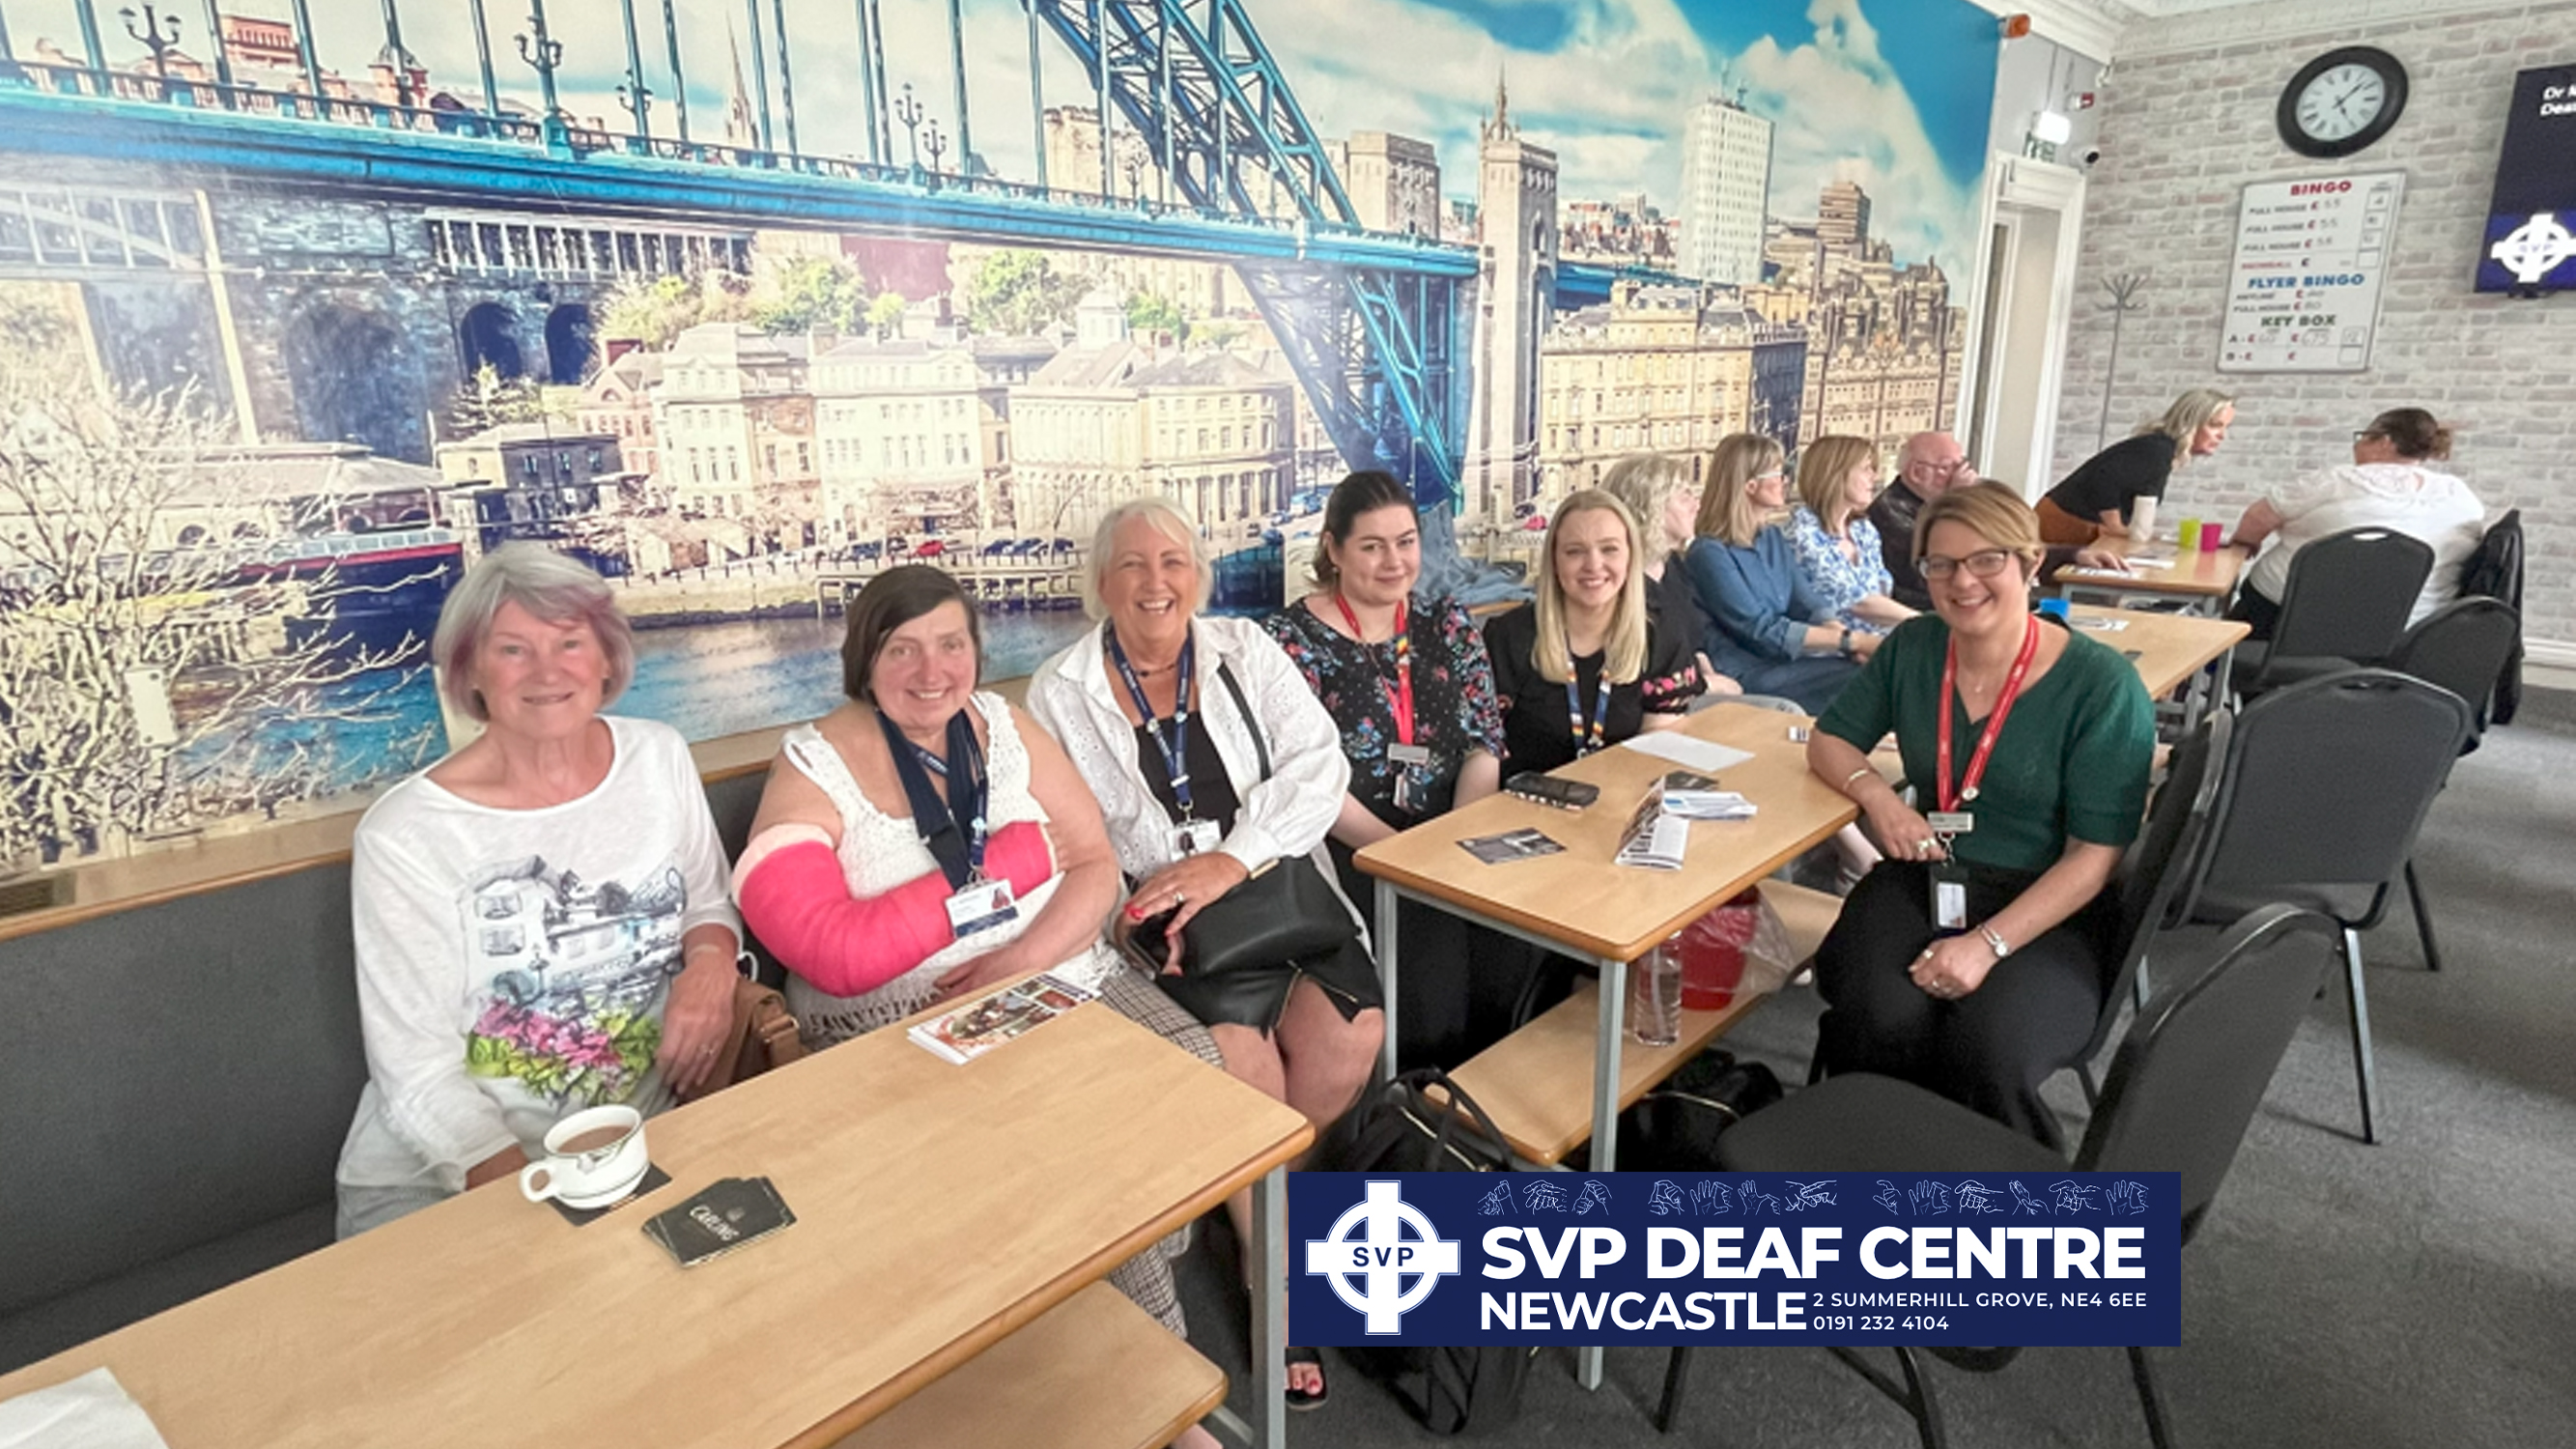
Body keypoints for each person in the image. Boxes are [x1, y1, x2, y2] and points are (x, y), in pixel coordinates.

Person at [727, 565, 1226, 1439]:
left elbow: (1093, 864)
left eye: (951, 644)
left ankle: (1110, 1354)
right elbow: (830, 952)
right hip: (894, 1024)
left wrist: (1022, 959)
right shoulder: (814, 764)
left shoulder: (1002, 725)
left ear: (974, 652)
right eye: (902, 648)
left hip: (1047, 978)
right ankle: (1162, 1407)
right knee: (1087, 1163)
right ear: (864, 660)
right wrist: (1008, 877)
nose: (931, 671)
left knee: (1192, 1073)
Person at [1027, 497, 1384, 1411]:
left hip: (1277, 894)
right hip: (1168, 926)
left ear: (1200, 575)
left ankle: (1260, 1208)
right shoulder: (1057, 693)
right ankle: (1278, 1273)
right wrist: (1121, 909)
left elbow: (1318, 763)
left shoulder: (1245, 652)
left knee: (1354, 1039)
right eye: (1133, 566)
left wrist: (1231, 858)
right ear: (1099, 584)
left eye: (1174, 561)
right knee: (1245, 1075)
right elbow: (1064, 838)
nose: (1156, 582)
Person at [335, 545, 741, 1238]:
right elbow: (419, 1074)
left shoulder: (657, 755)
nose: (549, 671)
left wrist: (710, 967)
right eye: (514, 650)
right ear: (470, 671)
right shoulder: (405, 835)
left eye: (570, 643)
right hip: (455, 1178)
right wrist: (552, 1209)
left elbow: (706, 904)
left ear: (607, 659)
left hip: (634, 1146)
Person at [1803, 482, 2155, 1144]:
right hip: (1927, 876)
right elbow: (1829, 738)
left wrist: (1986, 946)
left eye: (1985, 560)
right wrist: (1877, 799)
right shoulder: (1914, 648)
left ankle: (2003, 1213)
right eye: (1940, 564)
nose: (1961, 581)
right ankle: (1861, 1169)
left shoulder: (2100, 684)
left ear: (2029, 564)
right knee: (1875, 1013)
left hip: (2048, 903)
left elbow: (2094, 857)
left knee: (1988, 1044)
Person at [1264, 470, 1511, 1066]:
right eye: (1372, 546)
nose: (1394, 561)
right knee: (1427, 960)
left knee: (1514, 947)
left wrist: (1453, 841)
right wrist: (1402, 857)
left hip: (1449, 840)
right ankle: (1409, 1117)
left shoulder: (1446, 621)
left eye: (1405, 541)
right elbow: (1304, 774)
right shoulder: (1288, 642)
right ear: (1333, 549)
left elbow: (1483, 741)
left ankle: (1485, 1117)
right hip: (1346, 849)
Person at [1485, 489, 1703, 774]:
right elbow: (1482, 752)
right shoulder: (1508, 637)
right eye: (1575, 551)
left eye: (1609, 549)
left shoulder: (1659, 633)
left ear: (1630, 556)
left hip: (1619, 800)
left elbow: (1655, 751)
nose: (1593, 565)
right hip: (1526, 806)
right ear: (1554, 561)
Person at [2227, 407, 2486, 639]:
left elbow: (2259, 517)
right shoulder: (2459, 494)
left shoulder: (2339, 480)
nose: (2356, 446)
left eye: (2362, 437)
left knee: (2242, 612)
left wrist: (2242, 544)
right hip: (2408, 633)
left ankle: (2217, 673)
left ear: (2385, 442)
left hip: (2289, 621)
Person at [1685, 432, 1875, 716]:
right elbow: (1760, 630)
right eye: (1779, 472)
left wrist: (1849, 643)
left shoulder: (1771, 537)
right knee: (1865, 680)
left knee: (1873, 668)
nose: (1786, 480)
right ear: (1750, 485)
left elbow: (1807, 604)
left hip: (1789, 662)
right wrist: (1853, 641)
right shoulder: (1708, 552)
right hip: (1749, 670)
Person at [1599, 451, 1742, 696]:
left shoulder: (1672, 565)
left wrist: (1709, 676)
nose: (1697, 505)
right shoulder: (1620, 581)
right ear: (1651, 505)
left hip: (1692, 688)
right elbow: (1639, 677)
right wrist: (1707, 685)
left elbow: (1693, 641)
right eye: (1685, 495)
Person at [2039, 388, 2235, 545]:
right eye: (2215, 425)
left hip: (2072, 521)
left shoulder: (2162, 450)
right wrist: (2115, 527)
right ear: (2191, 423)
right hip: (2064, 521)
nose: (2222, 436)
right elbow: (2103, 478)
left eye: (2225, 427)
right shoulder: (2157, 450)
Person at [1785, 433, 1917, 636]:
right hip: (1832, 650)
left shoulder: (1863, 530)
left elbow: (1882, 596)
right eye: (1866, 469)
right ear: (1836, 473)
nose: (1874, 477)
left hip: (1879, 642)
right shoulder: (1802, 535)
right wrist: (1928, 624)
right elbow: (1859, 604)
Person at [1873, 433, 1975, 610]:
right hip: (1918, 609)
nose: (1962, 476)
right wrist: (1955, 501)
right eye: (1948, 467)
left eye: (1962, 465)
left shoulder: (1930, 504)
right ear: (1917, 473)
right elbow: (1940, 565)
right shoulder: (1890, 511)